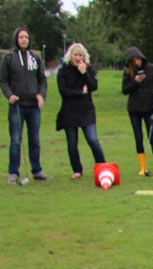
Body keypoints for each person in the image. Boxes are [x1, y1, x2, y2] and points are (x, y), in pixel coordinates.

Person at [0, 27, 50, 184]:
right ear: (16, 39)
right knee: (16, 140)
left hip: (33, 106)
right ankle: (13, 172)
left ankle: (37, 170)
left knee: (34, 139)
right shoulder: (8, 58)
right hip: (17, 106)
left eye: (26, 37)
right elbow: (3, 81)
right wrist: (9, 95)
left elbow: (42, 79)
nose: (24, 40)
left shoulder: (35, 58)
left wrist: (41, 94)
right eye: (21, 37)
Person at [56, 43, 104, 179]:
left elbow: (93, 86)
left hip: (86, 110)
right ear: (70, 55)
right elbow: (63, 91)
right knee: (72, 143)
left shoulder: (88, 69)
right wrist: (80, 92)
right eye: (75, 55)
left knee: (93, 139)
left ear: (84, 56)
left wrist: (84, 73)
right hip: (69, 111)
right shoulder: (63, 71)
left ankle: (102, 166)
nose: (78, 57)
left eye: (80, 55)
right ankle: (77, 170)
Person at [121, 47, 153, 176]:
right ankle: (142, 167)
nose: (136, 62)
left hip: (149, 108)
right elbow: (125, 90)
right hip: (134, 109)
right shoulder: (127, 72)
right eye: (133, 60)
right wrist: (135, 81)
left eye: (138, 59)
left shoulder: (151, 68)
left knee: (152, 137)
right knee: (138, 138)